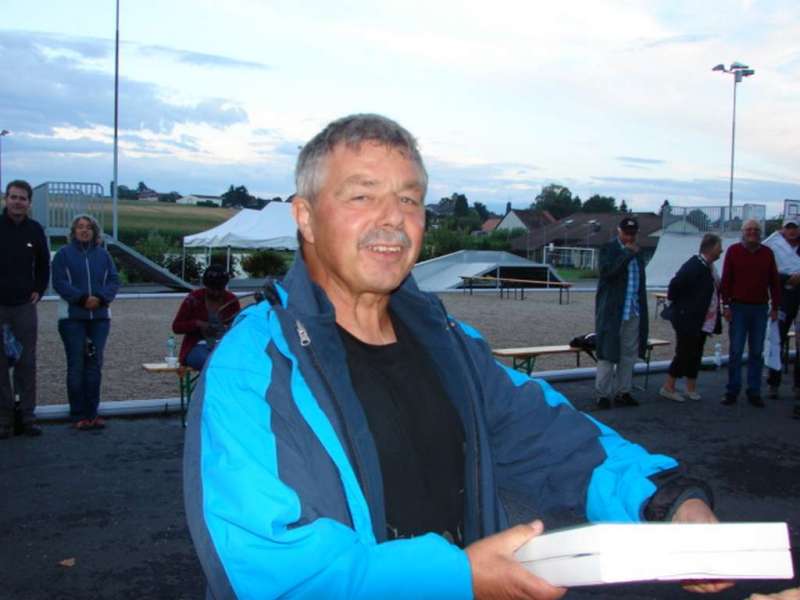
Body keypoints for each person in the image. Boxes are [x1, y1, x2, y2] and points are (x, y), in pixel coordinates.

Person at [184, 114, 731, 599]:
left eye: (409, 198)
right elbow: (274, 574)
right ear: (304, 216)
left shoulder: (449, 346)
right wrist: (459, 578)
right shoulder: (254, 368)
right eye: (362, 195)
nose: (393, 218)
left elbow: (556, 439)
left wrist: (666, 503)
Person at [52, 214, 120, 431]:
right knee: (76, 366)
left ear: (94, 232)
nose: (84, 231)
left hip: (99, 318)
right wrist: (82, 299)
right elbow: (60, 282)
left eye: (88, 227)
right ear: (73, 231)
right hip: (73, 318)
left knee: (94, 366)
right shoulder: (63, 255)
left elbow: (113, 280)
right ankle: (78, 414)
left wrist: (99, 298)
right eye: (80, 227)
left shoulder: (103, 255)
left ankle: (93, 413)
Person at [0, 180, 50, 439]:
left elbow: (44, 264)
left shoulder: (35, 230)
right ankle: (4, 421)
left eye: (22, 198)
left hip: (23, 307)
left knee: (26, 363)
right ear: (6, 199)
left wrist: (39, 290)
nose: (17, 201)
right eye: (13, 197)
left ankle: (27, 417)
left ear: (29, 203)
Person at [720, 219, 781, 407]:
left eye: (756, 229)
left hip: (760, 309)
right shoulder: (733, 251)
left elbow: (775, 282)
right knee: (736, 351)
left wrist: (775, 307)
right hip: (738, 308)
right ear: (742, 232)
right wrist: (726, 305)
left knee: (756, 352)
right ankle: (732, 390)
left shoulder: (767, 253)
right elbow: (726, 280)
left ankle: (754, 391)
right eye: (749, 229)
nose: (753, 232)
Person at [659, 233, 723, 402]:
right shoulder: (694, 265)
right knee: (684, 352)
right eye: (718, 248)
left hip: (703, 319)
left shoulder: (709, 268)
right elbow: (675, 285)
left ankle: (690, 387)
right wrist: (681, 306)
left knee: (696, 352)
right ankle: (668, 386)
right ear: (710, 248)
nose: (721, 251)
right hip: (687, 318)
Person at [594, 216, 649, 409]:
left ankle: (623, 392)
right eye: (626, 233)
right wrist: (626, 253)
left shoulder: (639, 253)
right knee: (607, 353)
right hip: (612, 312)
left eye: (633, 234)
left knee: (629, 354)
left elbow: (639, 284)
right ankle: (602, 394)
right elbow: (608, 273)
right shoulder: (609, 249)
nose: (630, 238)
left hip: (632, 310)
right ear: (619, 231)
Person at [171, 265, 240, 370]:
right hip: (197, 346)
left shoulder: (231, 300)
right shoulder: (194, 299)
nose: (216, 293)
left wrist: (227, 328)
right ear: (206, 286)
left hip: (223, 346)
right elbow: (176, 327)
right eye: (212, 289)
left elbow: (238, 327)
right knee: (211, 363)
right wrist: (197, 324)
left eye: (219, 289)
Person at [763, 218, 800, 409]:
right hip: (784, 298)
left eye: (795, 228)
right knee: (776, 339)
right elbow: (769, 272)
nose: (792, 232)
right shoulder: (775, 248)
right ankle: (773, 382)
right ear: (783, 230)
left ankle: (798, 386)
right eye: (789, 228)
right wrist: (788, 277)